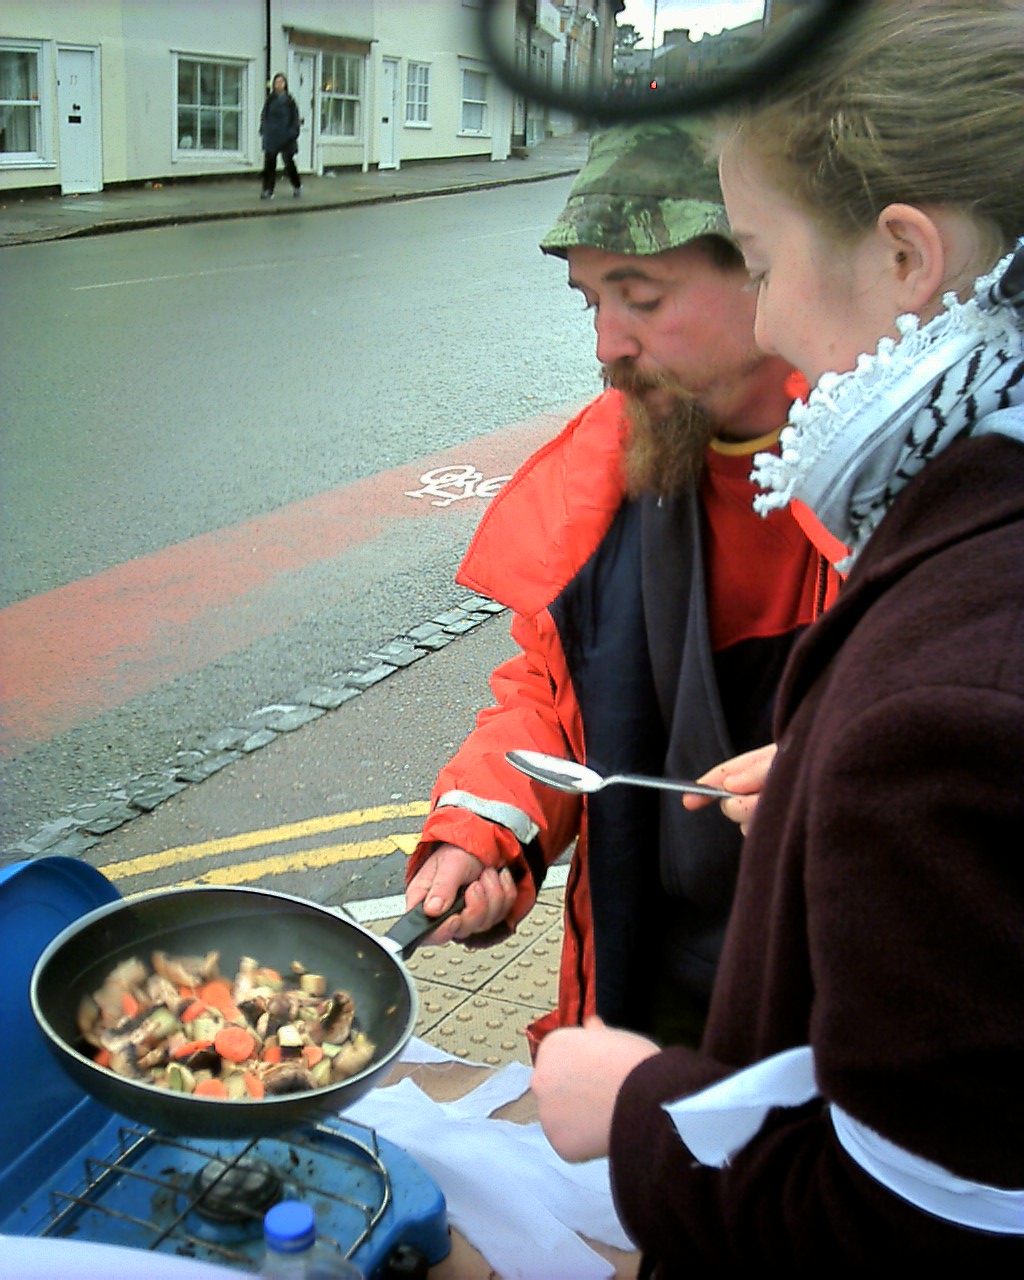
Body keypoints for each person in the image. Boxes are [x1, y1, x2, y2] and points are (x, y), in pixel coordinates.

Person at [531, 2, 1024, 1269]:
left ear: (906, 256)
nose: (607, 350)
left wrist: (644, 1122)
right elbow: (549, 667)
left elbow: (909, 1212)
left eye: (753, 257)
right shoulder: (629, 458)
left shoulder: (941, 693)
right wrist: (489, 816)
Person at [405, 120, 841, 1056]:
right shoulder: (600, 483)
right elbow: (553, 704)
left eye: (640, 297)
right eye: (590, 303)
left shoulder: (892, 480)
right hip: (650, 995)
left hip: (829, 1009)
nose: (608, 344)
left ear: (767, 270)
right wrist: (481, 833)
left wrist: (847, 785)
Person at [259, 73, 301, 200]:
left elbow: (295, 119)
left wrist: (292, 133)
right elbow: (264, 116)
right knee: (269, 165)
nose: (279, 84)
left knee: (288, 163)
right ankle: (267, 190)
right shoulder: (270, 100)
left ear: (285, 84)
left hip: (286, 137)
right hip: (272, 137)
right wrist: (263, 130)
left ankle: (297, 185)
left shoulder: (290, 101)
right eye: (276, 82)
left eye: (281, 82)